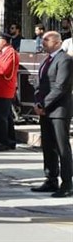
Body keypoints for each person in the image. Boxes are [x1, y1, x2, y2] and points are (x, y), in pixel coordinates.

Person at [31, 31, 73, 198]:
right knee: (48, 147)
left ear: (57, 42)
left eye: (46, 40)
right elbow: (41, 83)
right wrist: (37, 102)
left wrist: (44, 104)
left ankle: (67, 183)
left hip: (58, 111)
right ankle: (51, 179)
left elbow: (61, 87)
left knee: (62, 147)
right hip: (45, 110)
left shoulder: (65, 60)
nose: (43, 42)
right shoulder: (47, 60)